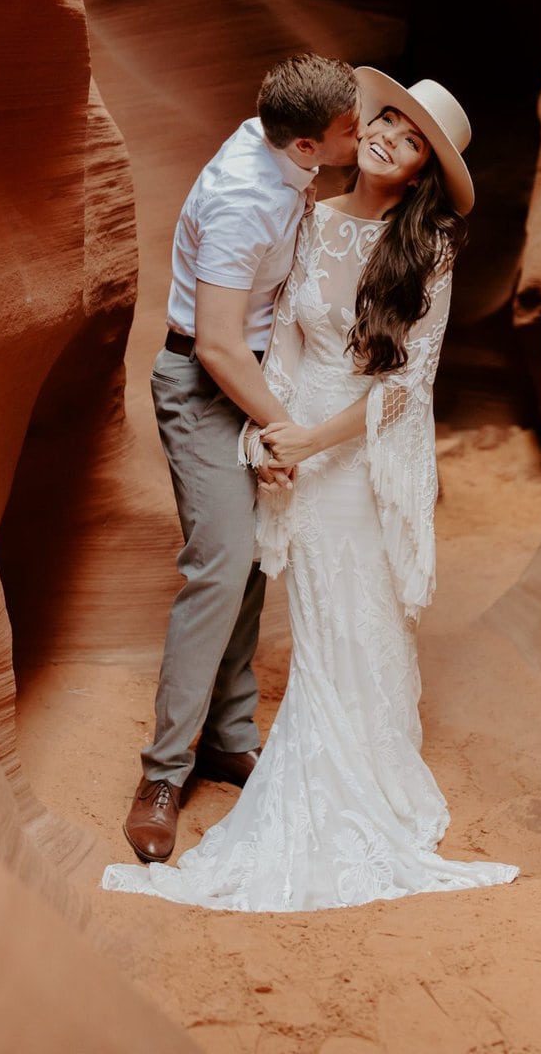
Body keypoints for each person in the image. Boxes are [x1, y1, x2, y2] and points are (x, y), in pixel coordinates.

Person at [106, 69, 520, 910]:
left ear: (420, 172)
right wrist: (271, 431)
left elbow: (408, 384)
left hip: (357, 444)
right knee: (270, 581)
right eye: (385, 122)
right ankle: (195, 760)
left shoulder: (428, 249)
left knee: (355, 602)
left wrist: (309, 437)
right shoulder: (311, 214)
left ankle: (342, 763)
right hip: (286, 420)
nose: (383, 139)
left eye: (408, 141)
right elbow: (279, 343)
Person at [122, 53, 362, 865]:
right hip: (206, 383)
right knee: (220, 567)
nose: (359, 136)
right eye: (348, 130)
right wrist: (283, 427)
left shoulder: (286, 165)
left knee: (257, 559)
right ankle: (163, 774)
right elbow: (220, 345)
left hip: (254, 377)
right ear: (303, 146)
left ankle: (228, 736)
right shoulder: (242, 198)